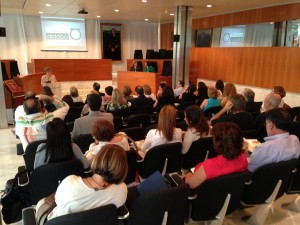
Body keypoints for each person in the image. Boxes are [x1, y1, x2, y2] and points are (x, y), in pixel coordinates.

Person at [47, 144, 128, 220]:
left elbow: (57, 201)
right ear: (122, 169)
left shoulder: (70, 183)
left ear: (97, 159)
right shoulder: (122, 190)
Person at [184, 122, 248, 189]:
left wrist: (188, 174)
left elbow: (189, 184)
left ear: (217, 143)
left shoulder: (209, 166)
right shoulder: (243, 158)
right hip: (231, 195)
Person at [248, 108, 300, 173]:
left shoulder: (265, 148)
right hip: (284, 179)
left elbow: (249, 168)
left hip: (262, 180)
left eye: (266, 123)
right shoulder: (295, 139)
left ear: (271, 125)